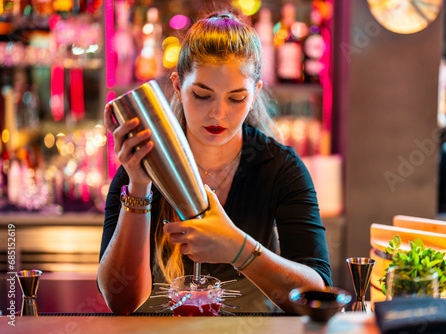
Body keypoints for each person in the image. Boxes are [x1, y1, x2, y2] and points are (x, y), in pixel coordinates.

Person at [98, 10, 332, 315]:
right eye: (202, 95)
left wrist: (239, 249)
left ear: (255, 94)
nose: (218, 114)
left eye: (236, 98)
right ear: (178, 86)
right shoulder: (142, 164)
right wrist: (139, 188)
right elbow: (121, 302)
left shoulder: (279, 168)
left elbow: (317, 296)